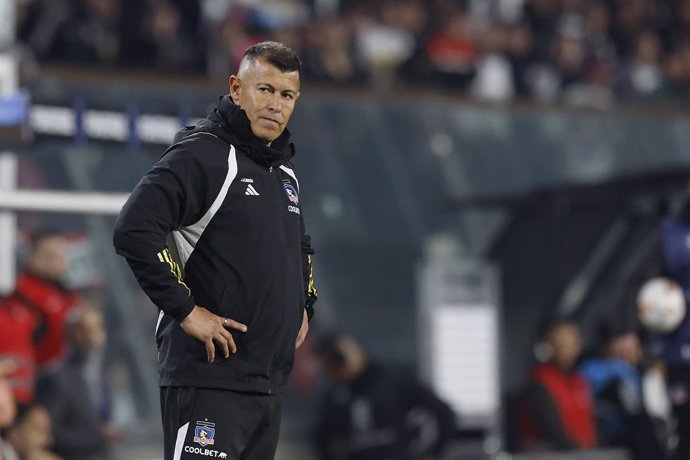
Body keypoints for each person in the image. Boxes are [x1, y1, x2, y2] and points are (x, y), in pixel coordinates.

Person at [113, 41, 318, 460]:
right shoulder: (203, 154)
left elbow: (300, 244)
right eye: (265, 89)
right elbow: (134, 227)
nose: (275, 105)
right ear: (236, 88)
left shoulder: (283, 169)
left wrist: (305, 303)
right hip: (210, 379)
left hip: (266, 383)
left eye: (286, 95)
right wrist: (187, 311)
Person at [313, 333, 457, 460]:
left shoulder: (394, 381)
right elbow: (322, 439)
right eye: (331, 366)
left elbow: (444, 413)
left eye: (339, 360)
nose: (340, 368)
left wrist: (432, 453)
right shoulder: (337, 397)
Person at [0, 230, 80, 404]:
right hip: (35, 390)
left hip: (68, 385)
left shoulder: (70, 297)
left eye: (60, 254)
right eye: (48, 255)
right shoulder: (21, 297)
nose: (55, 260)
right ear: (32, 257)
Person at [35, 306, 120, 460]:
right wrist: (97, 436)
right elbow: (50, 433)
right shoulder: (56, 378)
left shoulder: (100, 375)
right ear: (70, 334)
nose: (92, 335)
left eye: (97, 328)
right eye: (84, 329)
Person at [518, 321, 597, 452]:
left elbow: (591, 421)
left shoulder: (579, 380)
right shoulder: (540, 381)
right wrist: (578, 453)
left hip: (582, 453)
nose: (569, 351)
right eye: (562, 345)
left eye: (572, 345)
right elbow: (550, 426)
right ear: (550, 348)